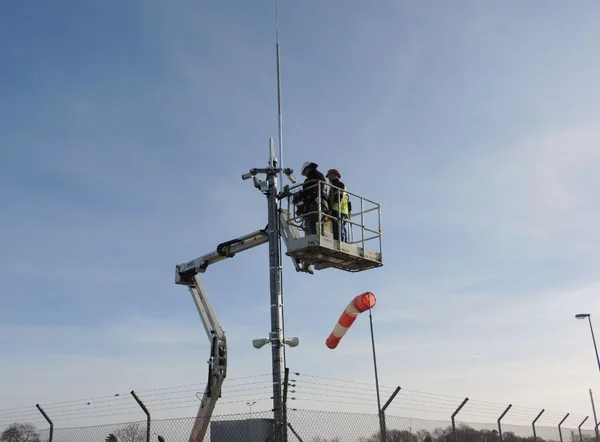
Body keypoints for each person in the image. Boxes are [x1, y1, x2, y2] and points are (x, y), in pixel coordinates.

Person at [293, 161, 328, 235]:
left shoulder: (313, 177)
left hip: (316, 203)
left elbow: (309, 191)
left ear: (308, 168)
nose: (305, 174)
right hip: (321, 203)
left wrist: (299, 196)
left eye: (305, 172)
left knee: (311, 220)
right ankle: (319, 235)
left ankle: (314, 237)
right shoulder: (319, 176)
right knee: (318, 221)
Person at [326, 168, 350, 243]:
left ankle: (341, 242)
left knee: (339, 227)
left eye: (330, 176)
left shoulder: (339, 185)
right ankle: (341, 241)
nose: (329, 178)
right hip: (338, 210)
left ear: (336, 176)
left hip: (339, 210)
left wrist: (330, 209)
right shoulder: (333, 187)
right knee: (338, 227)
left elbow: (338, 197)